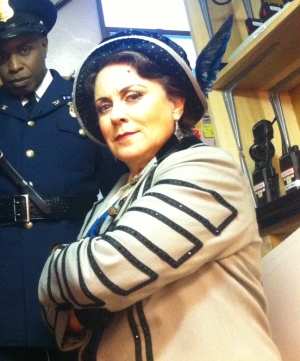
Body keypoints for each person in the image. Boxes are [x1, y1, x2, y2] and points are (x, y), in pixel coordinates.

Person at [38, 29, 282, 361]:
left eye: (133, 95)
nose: (116, 115)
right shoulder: (113, 195)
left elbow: (103, 273)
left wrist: (53, 265)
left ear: (177, 103)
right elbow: (61, 321)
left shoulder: (207, 169)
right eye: (104, 105)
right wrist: (82, 307)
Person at [0, 0, 127, 361]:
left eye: (24, 49)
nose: (13, 66)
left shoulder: (87, 105)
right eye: (1, 56)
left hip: (73, 285)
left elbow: (119, 197)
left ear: (44, 43)